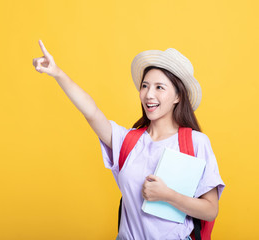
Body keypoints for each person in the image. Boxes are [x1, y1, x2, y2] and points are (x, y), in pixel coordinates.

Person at [32, 40, 225, 240]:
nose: (149, 95)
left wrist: (168, 195)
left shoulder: (195, 142)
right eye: (145, 86)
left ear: (177, 96)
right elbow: (91, 112)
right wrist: (58, 73)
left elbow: (210, 210)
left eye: (160, 87)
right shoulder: (128, 141)